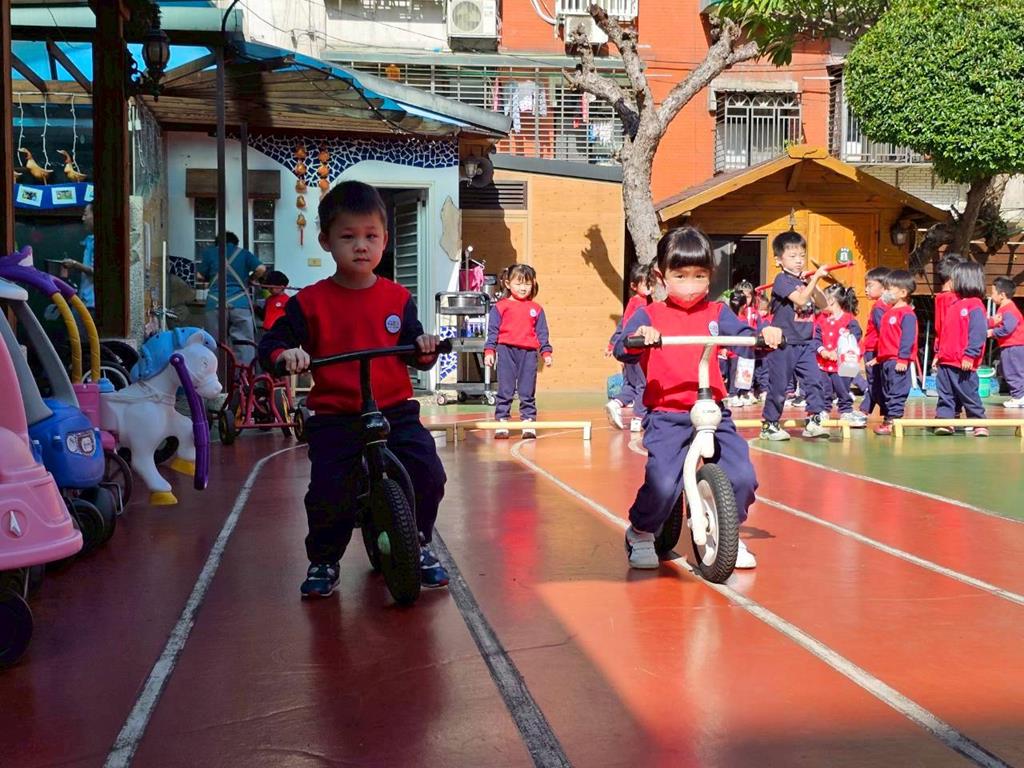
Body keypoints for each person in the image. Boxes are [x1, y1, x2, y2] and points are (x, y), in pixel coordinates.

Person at [258, 181, 449, 598]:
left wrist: (425, 349)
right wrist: (285, 353)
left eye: (371, 236)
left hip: (394, 409)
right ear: (326, 241)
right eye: (348, 237)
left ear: (385, 240)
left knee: (428, 472)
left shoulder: (398, 298)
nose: (361, 246)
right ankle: (324, 559)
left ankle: (418, 542)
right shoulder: (309, 303)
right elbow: (271, 344)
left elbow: (415, 350)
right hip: (336, 415)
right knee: (329, 490)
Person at [614, 226, 783, 570]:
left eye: (699, 276)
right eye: (680, 276)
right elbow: (621, 346)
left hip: (712, 410)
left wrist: (764, 336)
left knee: (742, 477)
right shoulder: (650, 314)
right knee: (663, 483)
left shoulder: (717, 313)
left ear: (711, 275)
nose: (690, 286)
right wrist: (640, 337)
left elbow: (745, 337)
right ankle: (641, 531)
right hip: (668, 412)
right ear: (661, 276)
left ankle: (724, 528)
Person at [760, 231, 830, 441]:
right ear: (779, 260)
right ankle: (770, 424)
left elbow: (824, 304)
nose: (799, 260)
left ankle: (814, 420)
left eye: (802, 255)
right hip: (784, 343)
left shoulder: (804, 281)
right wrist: (815, 278)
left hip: (805, 343)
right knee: (779, 386)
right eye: (792, 256)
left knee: (815, 381)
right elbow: (800, 300)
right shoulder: (781, 280)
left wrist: (813, 282)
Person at [484, 264, 553, 439]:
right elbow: (492, 331)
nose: (523, 288)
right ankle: (502, 421)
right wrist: (490, 350)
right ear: (508, 284)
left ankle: (528, 422)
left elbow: (542, 333)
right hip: (506, 351)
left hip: (528, 354)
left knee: (527, 389)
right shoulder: (500, 307)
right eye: (518, 283)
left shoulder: (536, 309)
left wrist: (546, 352)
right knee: (505, 388)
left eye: (527, 284)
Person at [934, 261, 988, 436]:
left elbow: (978, 332)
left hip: (963, 361)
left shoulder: (975, 305)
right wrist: (938, 354)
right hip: (946, 360)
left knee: (968, 393)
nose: (951, 282)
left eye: (954, 278)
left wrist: (970, 355)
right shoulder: (954, 305)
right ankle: (945, 421)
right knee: (945, 394)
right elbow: (946, 333)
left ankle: (978, 422)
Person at [198, 231, 266, 364]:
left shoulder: (209, 253)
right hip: (240, 303)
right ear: (235, 243)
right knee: (244, 344)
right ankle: (244, 374)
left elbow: (199, 276)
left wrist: (210, 278)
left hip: (215, 303)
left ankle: (215, 375)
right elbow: (261, 268)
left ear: (217, 243)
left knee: (214, 343)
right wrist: (251, 279)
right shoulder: (243, 253)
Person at [606, 263, 653, 432]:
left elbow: (622, 326)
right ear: (634, 286)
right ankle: (638, 418)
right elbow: (628, 327)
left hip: (628, 352)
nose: (650, 288)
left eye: (651, 284)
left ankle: (615, 403)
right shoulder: (641, 305)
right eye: (646, 284)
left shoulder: (633, 303)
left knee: (631, 386)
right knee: (643, 385)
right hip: (636, 352)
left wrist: (613, 344)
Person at [871, 271, 918, 436]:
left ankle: (893, 420)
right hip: (886, 361)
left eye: (889, 289)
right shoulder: (888, 313)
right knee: (887, 390)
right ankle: (888, 419)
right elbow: (885, 339)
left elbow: (907, 338)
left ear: (903, 292)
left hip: (898, 361)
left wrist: (903, 359)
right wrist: (879, 358)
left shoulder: (907, 314)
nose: (885, 292)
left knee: (897, 390)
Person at [815, 285, 866, 427]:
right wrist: (822, 351)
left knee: (843, 389)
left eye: (822, 299)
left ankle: (846, 411)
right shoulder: (821, 319)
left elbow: (854, 337)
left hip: (843, 365)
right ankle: (822, 411)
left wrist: (837, 351)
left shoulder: (849, 320)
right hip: (823, 364)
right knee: (824, 389)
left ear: (831, 300)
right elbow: (815, 338)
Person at [857, 266, 892, 421]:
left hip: (875, 350)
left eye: (870, 285)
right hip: (877, 350)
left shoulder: (879, 307)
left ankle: (873, 411)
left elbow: (883, 330)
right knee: (877, 382)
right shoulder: (884, 306)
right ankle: (868, 410)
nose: (866, 289)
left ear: (884, 288)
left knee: (875, 382)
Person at [988, 276, 1024, 408]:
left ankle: (1018, 397)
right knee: (1010, 370)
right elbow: (997, 322)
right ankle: (1019, 396)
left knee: (1012, 371)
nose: (991, 296)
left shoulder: (1008, 309)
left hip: (1013, 346)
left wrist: (992, 332)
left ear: (1002, 295)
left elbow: (1008, 328)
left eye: (993, 292)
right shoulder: (1005, 308)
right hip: (1012, 345)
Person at [61, 203, 95, 314]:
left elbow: (95, 271)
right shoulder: (89, 240)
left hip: (92, 303)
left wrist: (74, 264)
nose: (83, 218)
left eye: (86, 214)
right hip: (85, 299)